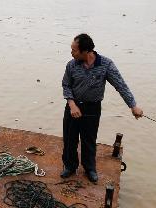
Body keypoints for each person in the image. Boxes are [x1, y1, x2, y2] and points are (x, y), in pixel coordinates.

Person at [61, 33, 143, 183]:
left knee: (89, 140)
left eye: (74, 50)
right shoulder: (71, 65)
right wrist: (72, 105)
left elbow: (120, 85)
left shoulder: (106, 65)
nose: (71, 53)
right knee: (69, 139)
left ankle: (89, 168)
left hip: (92, 109)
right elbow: (66, 85)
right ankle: (70, 166)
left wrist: (133, 106)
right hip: (72, 107)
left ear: (85, 51)